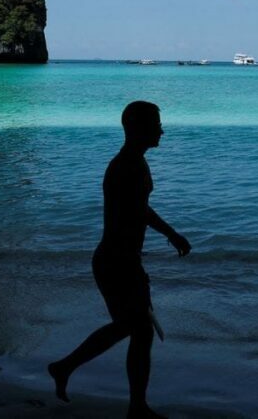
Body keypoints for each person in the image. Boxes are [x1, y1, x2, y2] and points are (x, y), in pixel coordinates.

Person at [48, 101, 191, 419]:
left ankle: (127, 401)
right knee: (137, 328)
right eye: (156, 124)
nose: (161, 130)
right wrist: (172, 234)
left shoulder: (133, 162)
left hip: (120, 260)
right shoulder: (129, 165)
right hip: (117, 261)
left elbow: (140, 209)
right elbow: (139, 211)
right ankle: (75, 373)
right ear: (138, 128)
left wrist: (169, 235)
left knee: (136, 329)